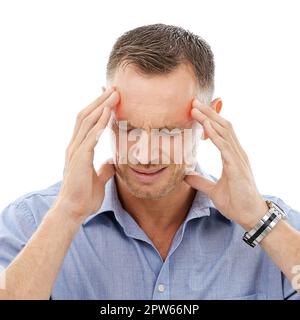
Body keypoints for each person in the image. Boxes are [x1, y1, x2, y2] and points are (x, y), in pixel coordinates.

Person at [0, 23, 300, 300]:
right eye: (128, 128)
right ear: (104, 111)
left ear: (211, 118)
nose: (144, 155)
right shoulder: (30, 221)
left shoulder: (278, 228)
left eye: (169, 131)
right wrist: (66, 214)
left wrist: (258, 221)